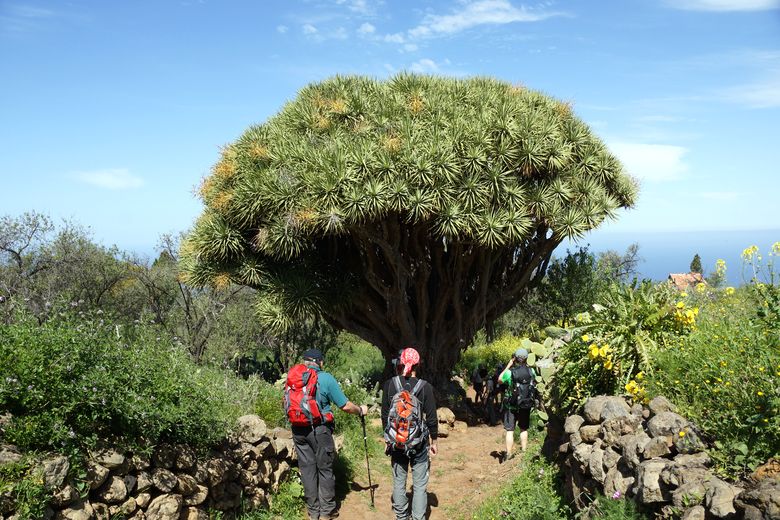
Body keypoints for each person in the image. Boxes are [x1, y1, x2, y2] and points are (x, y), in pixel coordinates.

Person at [290, 348, 368, 520]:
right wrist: (360, 410)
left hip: (298, 430)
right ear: (320, 362)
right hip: (319, 430)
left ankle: (313, 512)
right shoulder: (325, 378)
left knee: (308, 470)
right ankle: (326, 512)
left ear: (305, 361)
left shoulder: (294, 377)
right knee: (324, 469)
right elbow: (345, 406)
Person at [382, 347, 438, 520]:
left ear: (401, 363)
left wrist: (387, 439)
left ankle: (401, 516)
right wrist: (434, 441)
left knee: (399, 482)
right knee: (420, 485)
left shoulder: (390, 384)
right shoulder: (425, 387)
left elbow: (385, 415)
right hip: (418, 443)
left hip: (397, 441)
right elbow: (432, 418)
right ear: (417, 365)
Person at [498, 348, 537, 462]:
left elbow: (499, 380)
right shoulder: (532, 372)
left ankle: (509, 454)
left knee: (510, 430)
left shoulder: (510, 373)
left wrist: (508, 365)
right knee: (523, 429)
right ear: (526, 359)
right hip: (525, 404)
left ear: (515, 358)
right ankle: (524, 453)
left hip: (511, 405)